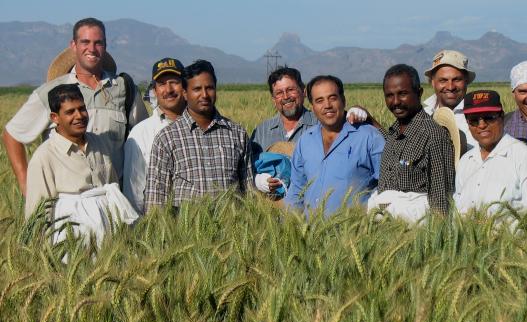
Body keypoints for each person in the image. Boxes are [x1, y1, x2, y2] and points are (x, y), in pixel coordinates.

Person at [3, 17, 148, 195]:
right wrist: (26, 184)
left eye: (98, 43)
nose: (92, 49)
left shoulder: (124, 88)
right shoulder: (51, 92)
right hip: (65, 203)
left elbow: (144, 137)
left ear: (105, 46)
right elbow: (12, 135)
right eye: (85, 42)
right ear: (74, 45)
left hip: (113, 202)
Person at [25, 84, 137, 247]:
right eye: (70, 112)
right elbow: (38, 213)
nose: (79, 116)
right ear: (55, 117)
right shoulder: (45, 156)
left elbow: (112, 187)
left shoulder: (99, 142)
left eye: (82, 109)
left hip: (110, 236)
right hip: (72, 242)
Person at [144, 60, 253, 212]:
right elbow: (155, 198)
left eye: (209, 88)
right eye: (197, 89)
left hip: (231, 232)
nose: (204, 95)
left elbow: (249, 192)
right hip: (184, 233)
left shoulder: (237, 134)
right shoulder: (167, 138)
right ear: (185, 93)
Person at [251, 66, 377, 196]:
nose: (286, 96)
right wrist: (257, 180)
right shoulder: (262, 131)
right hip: (271, 209)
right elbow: (246, 169)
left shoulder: (324, 123)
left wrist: (362, 114)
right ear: (273, 100)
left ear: (303, 91)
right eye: (279, 93)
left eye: (290, 90)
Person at [285, 75, 385, 215]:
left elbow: (388, 186)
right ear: (313, 108)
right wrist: (289, 227)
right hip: (310, 233)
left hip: (354, 234)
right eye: (319, 101)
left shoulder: (369, 136)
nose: (327, 105)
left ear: (343, 100)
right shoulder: (305, 141)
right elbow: (296, 190)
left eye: (332, 98)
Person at [369, 64, 455, 221]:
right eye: (389, 95)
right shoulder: (394, 134)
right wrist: (368, 119)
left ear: (419, 93)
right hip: (387, 234)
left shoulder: (433, 135)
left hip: (417, 236)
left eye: (403, 94)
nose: (395, 101)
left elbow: (441, 199)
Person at [453, 90, 527, 215]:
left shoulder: (525, 158)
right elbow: (457, 213)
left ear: (502, 116)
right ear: (467, 123)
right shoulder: (465, 161)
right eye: (474, 120)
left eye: (489, 117)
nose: (482, 125)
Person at [123, 58, 186, 214]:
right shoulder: (140, 133)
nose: (169, 89)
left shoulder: (200, 126)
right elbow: (134, 190)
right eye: (162, 84)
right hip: (157, 225)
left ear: (185, 86)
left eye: (174, 82)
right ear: (154, 90)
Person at [423, 49, 477, 153]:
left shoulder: (479, 115)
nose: (450, 87)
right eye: (443, 80)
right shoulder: (423, 115)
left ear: (466, 81)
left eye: (457, 79)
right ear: (433, 82)